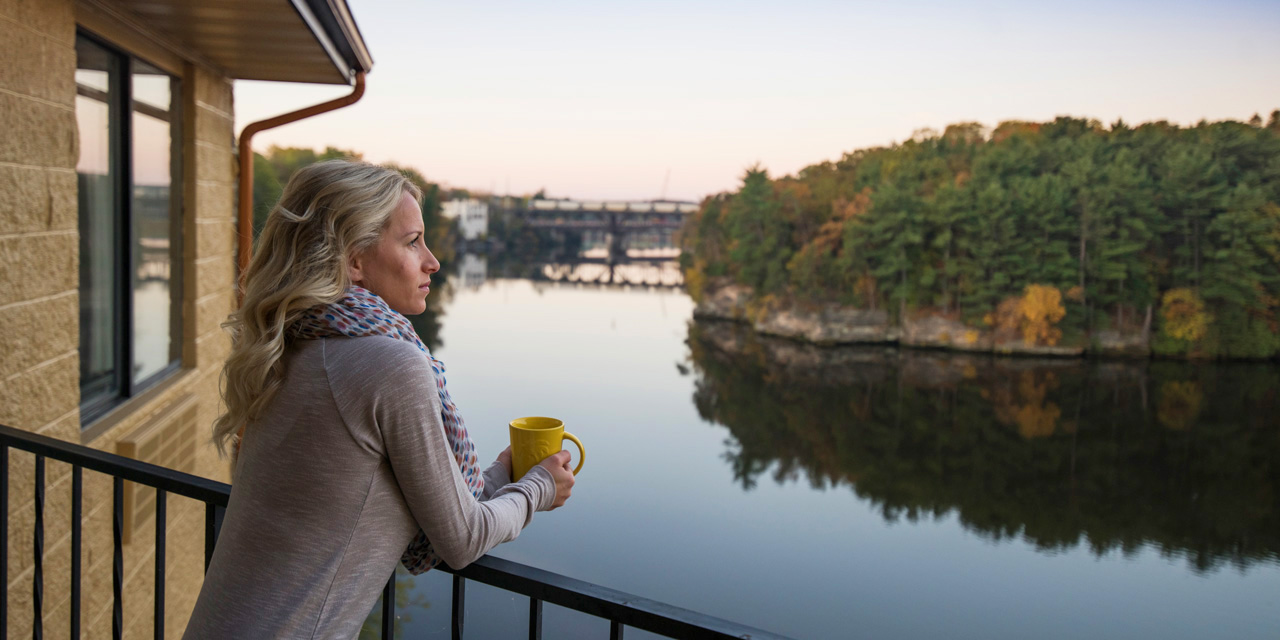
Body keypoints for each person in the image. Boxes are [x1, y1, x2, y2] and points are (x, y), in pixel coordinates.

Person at [183, 160, 575, 639]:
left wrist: (500, 476)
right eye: (412, 242)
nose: (432, 261)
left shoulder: (297, 343)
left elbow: (434, 502)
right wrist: (538, 489)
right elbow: (463, 539)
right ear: (353, 260)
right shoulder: (388, 364)